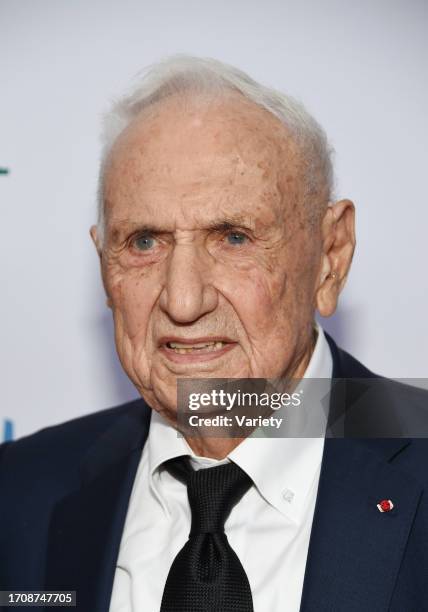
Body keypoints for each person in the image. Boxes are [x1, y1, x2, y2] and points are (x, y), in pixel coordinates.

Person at [1, 55, 428, 612]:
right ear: (104, 266)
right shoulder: (19, 493)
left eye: (233, 238)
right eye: (144, 242)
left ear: (330, 256)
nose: (183, 300)